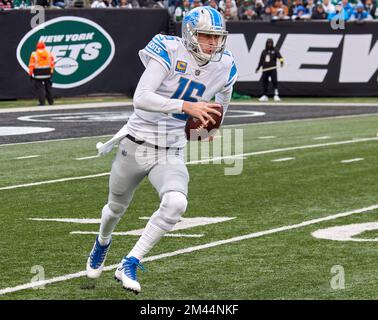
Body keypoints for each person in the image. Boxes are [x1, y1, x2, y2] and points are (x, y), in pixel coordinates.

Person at [86, 6, 237, 294]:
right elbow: (140, 98)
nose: (213, 43)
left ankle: (130, 261)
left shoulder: (225, 64)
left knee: (176, 203)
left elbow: (223, 100)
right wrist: (186, 106)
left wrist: (213, 126)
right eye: (206, 36)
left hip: (170, 149)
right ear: (190, 34)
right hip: (136, 143)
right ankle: (103, 241)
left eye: (217, 37)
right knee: (115, 209)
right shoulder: (168, 50)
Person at [28, 41, 55, 106]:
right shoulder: (49, 53)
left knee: (40, 88)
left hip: (38, 74)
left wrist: (31, 74)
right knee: (48, 88)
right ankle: (51, 102)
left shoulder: (34, 54)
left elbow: (31, 65)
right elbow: (52, 64)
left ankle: (42, 102)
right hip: (47, 73)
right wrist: (51, 72)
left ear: (37, 47)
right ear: (44, 46)